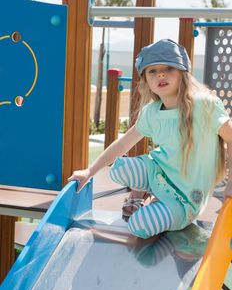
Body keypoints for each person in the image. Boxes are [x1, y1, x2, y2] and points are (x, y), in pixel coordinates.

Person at [69, 39, 232, 239]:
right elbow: (123, 144)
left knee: (139, 226)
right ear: (146, 79)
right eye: (152, 71)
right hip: (158, 172)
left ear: (183, 74)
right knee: (119, 169)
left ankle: (159, 202)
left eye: (168, 68)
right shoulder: (152, 112)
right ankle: (142, 192)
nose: (160, 75)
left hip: (186, 199)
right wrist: (89, 171)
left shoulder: (205, 106)